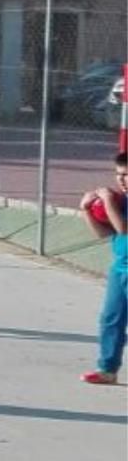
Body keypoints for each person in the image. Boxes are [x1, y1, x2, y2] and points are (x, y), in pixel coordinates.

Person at [77, 152, 128, 386]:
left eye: (127, 175)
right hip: (120, 268)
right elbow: (105, 233)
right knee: (110, 318)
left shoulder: (115, 202)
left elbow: (124, 229)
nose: (122, 180)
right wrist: (87, 210)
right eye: (119, 175)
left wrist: (107, 200)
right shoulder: (121, 201)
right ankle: (107, 369)